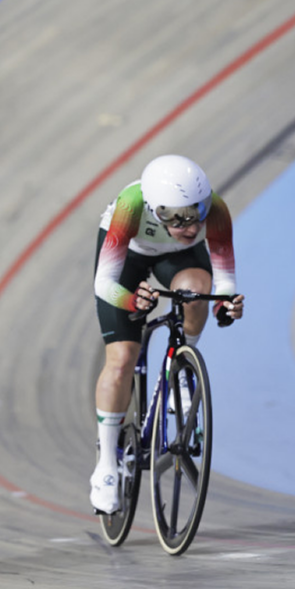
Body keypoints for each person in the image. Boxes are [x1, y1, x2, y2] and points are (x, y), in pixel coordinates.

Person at [91, 154, 244, 514]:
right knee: (121, 359)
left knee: (196, 290)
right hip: (128, 258)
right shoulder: (130, 206)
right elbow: (104, 283)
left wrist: (227, 305)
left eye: (197, 212)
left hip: (179, 259)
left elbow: (224, 280)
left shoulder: (217, 211)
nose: (190, 226)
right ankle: (106, 466)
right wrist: (130, 300)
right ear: (153, 208)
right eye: (175, 218)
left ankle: (181, 369)